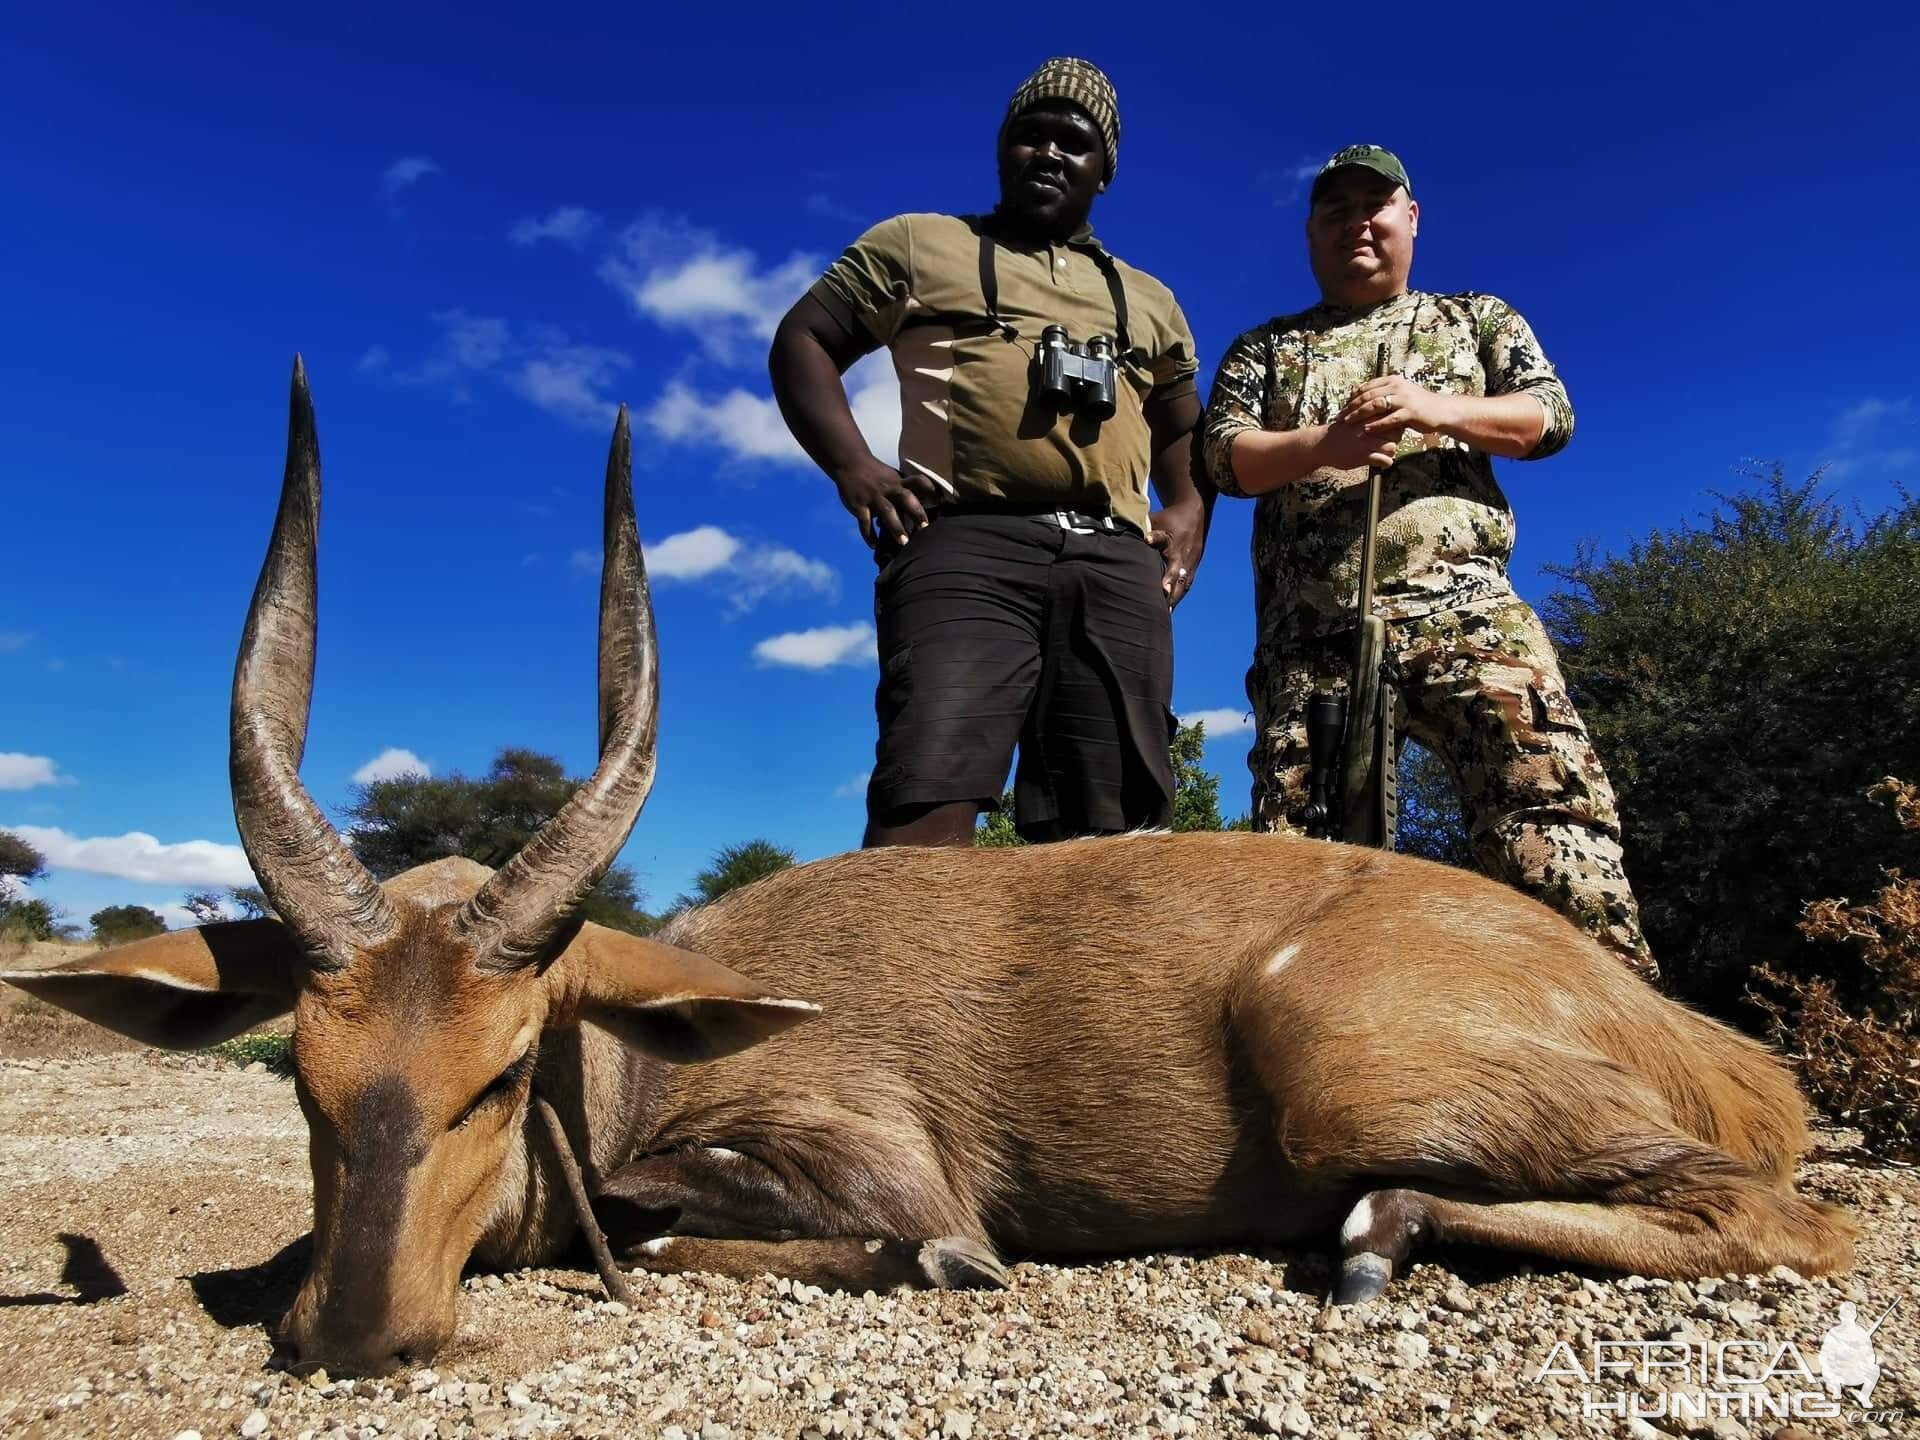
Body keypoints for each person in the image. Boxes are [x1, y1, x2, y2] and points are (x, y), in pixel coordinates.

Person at [1199, 143, 1658, 981]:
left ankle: (1619, 1043)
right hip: (1315, 643)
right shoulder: (1265, 348)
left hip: (1470, 618)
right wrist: (1327, 444)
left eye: (1375, 206)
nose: (1356, 224)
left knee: (1553, 826)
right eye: (1335, 211)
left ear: (1411, 218)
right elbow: (1223, 458)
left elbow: (1548, 417)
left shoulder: (1474, 316)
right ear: (1309, 232)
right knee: (1301, 875)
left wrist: (1432, 408)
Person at [769, 57, 1210, 848]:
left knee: (1114, 825)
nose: (1048, 154)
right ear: (1001, 148)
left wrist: (1187, 511)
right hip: (963, 543)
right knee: (926, 788)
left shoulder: (1152, 299)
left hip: (1114, 560)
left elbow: (1182, 427)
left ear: (1104, 170)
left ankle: (1082, 978)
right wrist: (855, 467)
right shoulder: (919, 243)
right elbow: (803, 337)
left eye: (1072, 143)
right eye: (1028, 136)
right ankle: (895, 971)